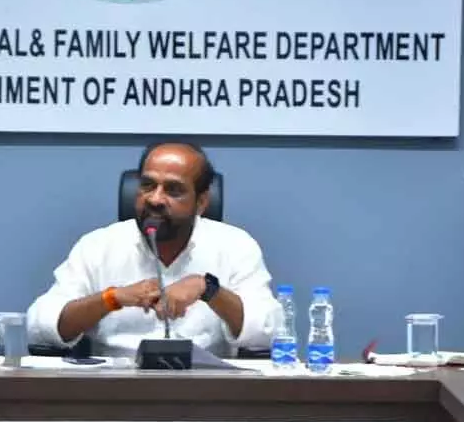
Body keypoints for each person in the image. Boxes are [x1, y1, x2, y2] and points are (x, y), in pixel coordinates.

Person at [27, 142, 282, 357]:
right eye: (148, 185)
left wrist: (210, 290)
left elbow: (269, 332)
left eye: (173, 190)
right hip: (115, 393)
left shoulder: (235, 245)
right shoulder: (99, 246)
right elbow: (40, 325)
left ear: (202, 202)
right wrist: (110, 298)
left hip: (207, 394)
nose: (155, 199)